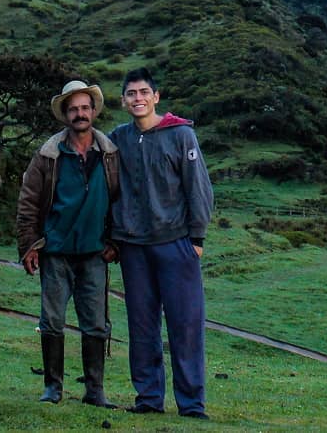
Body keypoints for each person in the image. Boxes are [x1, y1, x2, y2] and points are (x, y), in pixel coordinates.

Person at [110, 67, 214, 419]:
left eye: (143, 92)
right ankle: (149, 399)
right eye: (131, 94)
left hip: (176, 244)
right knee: (141, 326)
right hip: (133, 247)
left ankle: (192, 404)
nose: (137, 98)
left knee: (185, 325)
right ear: (123, 101)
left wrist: (196, 239)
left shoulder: (181, 135)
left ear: (156, 97)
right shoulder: (118, 139)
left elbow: (198, 188)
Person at [16, 80, 119, 406]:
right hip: (56, 251)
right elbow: (28, 201)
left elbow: (122, 201)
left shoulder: (110, 154)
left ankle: (95, 390)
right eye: (73, 108)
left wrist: (117, 241)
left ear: (93, 111)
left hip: (94, 252)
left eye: (85, 108)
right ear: (65, 114)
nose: (80, 114)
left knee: (96, 323)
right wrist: (28, 245)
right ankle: (53, 387)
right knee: (52, 320)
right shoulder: (48, 154)